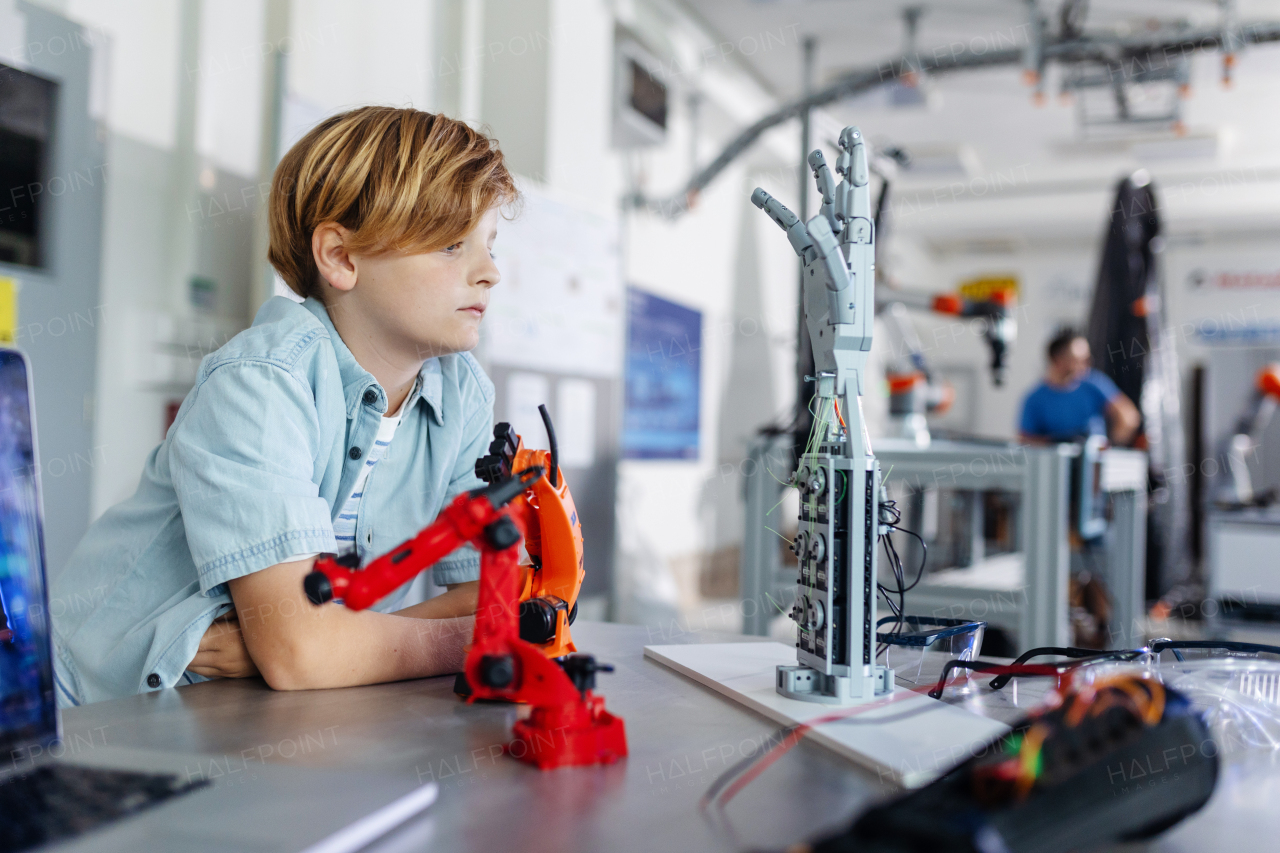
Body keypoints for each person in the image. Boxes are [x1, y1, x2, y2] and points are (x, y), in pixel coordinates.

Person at [51, 107, 516, 704]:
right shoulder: (260, 383)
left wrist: (328, 640)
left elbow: (489, 596)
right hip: (91, 716)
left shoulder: (463, 392)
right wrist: (477, 640)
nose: (490, 273)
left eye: (490, 245)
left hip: (240, 711)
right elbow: (300, 655)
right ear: (342, 258)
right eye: (453, 245)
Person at [1019, 328, 1141, 445]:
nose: (1086, 365)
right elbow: (1026, 440)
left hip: (1092, 460)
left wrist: (1110, 447)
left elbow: (1128, 417)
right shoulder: (1035, 399)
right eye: (1078, 360)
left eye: (1086, 359)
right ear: (1057, 360)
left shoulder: (1094, 384)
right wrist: (1057, 443)